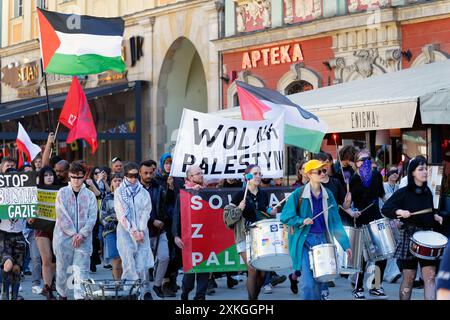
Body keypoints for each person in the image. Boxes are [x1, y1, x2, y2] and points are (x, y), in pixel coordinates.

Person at [280, 160, 351, 300]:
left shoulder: (328, 194)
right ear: (308, 174)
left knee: (320, 282)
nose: (323, 173)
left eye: (324, 171)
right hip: (304, 241)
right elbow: (285, 217)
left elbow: (335, 222)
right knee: (308, 283)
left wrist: (346, 244)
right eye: (319, 171)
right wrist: (301, 220)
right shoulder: (298, 194)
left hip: (322, 240)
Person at [381, 157, 443, 300]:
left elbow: (429, 210)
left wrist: (435, 215)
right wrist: (399, 212)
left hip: (427, 238)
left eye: (426, 168)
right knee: (409, 278)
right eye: (421, 169)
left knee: (430, 276)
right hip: (409, 236)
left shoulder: (427, 191)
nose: (425, 171)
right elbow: (386, 209)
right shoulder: (404, 192)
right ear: (413, 172)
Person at [223, 164, 278, 300]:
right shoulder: (240, 195)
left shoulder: (263, 194)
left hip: (261, 237)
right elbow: (227, 219)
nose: (258, 176)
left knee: (262, 274)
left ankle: (254, 297)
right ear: (247, 177)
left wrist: (270, 212)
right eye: (255, 174)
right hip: (244, 236)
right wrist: (239, 209)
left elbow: (263, 214)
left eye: (260, 173)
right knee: (252, 269)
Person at [53, 161, 98, 300]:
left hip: (83, 239)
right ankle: (62, 294)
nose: (76, 180)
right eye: (73, 177)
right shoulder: (62, 192)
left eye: (79, 177)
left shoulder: (90, 195)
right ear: (69, 176)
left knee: (82, 270)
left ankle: (80, 296)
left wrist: (82, 234)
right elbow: (61, 215)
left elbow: (92, 217)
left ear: (84, 177)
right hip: (63, 238)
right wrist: (73, 233)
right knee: (62, 270)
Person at [313, 152, 352, 299]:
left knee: (326, 259)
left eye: (325, 165)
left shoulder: (334, 184)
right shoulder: (306, 188)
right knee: (314, 265)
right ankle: (297, 275)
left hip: (329, 227)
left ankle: (324, 289)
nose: (323, 170)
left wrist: (348, 201)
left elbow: (343, 204)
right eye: (319, 168)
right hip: (313, 230)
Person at [350, 149, 388, 299]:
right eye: (361, 159)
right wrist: (352, 210)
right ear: (356, 163)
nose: (364, 161)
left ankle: (375, 286)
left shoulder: (377, 176)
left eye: (367, 159)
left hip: (376, 218)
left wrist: (392, 206)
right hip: (361, 220)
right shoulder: (353, 180)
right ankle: (358, 287)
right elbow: (348, 201)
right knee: (363, 257)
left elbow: (382, 195)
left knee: (382, 254)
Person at [115, 162, 154, 300]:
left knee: (142, 265)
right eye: (130, 175)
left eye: (135, 175)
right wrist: (133, 231)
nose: (133, 178)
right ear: (125, 175)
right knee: (129, 264)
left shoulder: (143, 191)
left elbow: (146, 210)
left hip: (142, 233)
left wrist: (141, 229)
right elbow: (121, 215)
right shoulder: (119, 192)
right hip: (125, 233)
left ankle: (144, 292)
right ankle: (129, 293)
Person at [172, 165, 210, 300]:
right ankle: (185, 293)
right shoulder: (183, 194)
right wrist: (176, 235)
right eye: (198, 173)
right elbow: (177, 215)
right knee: (189, 274)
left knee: (204, 269)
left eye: (202, 173)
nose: (201, 175)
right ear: (190, 177)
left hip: (205, 237)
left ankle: (200, 296)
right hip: (189, 238)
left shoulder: (209, 192)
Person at [139, 160, 173, 299]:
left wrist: (170, 189)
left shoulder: (159, 187)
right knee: (145, 263)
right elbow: (139, 211)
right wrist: (153, 221)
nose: (148, 175)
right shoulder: (136, 189)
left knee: (164, 257)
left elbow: (168, 203)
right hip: (143, 232)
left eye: (150, 172)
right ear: (140, 173)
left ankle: (157, 285)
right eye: (145, 173)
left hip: (160, 231)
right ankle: (146, 290)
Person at [32, 166, 59, 300]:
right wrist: (30, 217)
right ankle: (48, 288)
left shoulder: (61, 190)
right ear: (42, 177)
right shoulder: (36, 190)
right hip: (41, 229)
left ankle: (49, 284)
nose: (49, 177)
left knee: (54, 261)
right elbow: (28, 212)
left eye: (51, 175)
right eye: (46, 175)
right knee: (46, 259)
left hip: (57, 229)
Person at [0, 167, 26, 300]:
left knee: (16, 269)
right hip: (3, 235)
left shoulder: (26, 195)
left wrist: (32, 218)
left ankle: (14, 296)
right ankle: (4, 292)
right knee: (8, 264)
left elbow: (31, 219)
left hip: (19, 235)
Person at [380, 166, 402, 284]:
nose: (394, 174)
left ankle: (391, 273)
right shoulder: (383, 187)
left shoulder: (399, 188)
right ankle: (387, 274)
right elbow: (383, 205)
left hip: (396, 220)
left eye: (396, 172)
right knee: (387, 248)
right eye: (392, 172)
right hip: (385, 220)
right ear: (387, 174)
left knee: (394, 247)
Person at [100, 173, 123, 280]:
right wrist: (115, 220)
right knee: (116, 259)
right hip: (111, 232)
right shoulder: (107, 198)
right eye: (115, 181)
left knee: (124, 259)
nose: (118, 183)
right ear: (111, 184)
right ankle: (117, 283)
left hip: (126, 231)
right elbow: (103, 217)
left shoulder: (126, 197)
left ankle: (124, 282)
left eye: (120, 180)